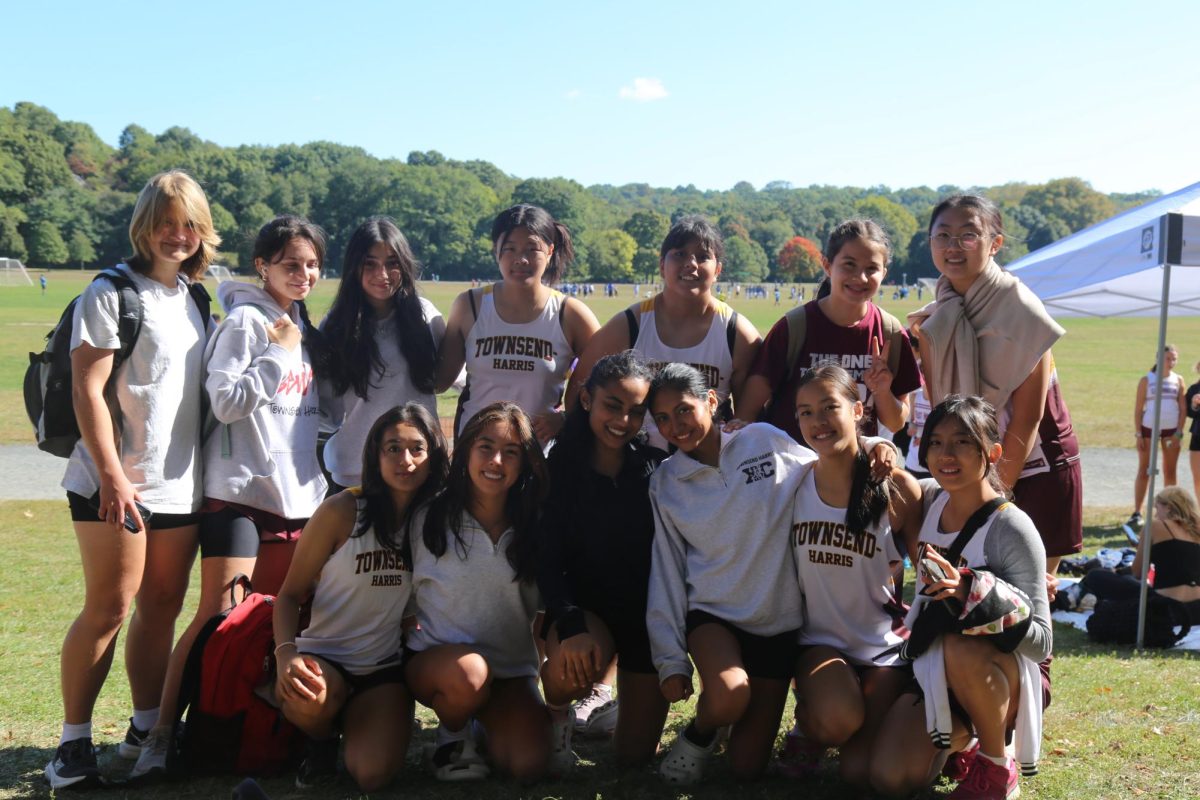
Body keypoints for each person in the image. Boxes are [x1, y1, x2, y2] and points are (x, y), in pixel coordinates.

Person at [130, 215, 331, 778]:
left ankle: (245, 732)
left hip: (297, 500)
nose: (304, 273)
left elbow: (313, 415)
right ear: (262, 265)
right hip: (241, 495)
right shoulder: (247, 320)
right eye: (291, 263)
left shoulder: (301, 327)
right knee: (217, 618)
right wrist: (276, 353)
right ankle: (159, 735)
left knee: (275, 624)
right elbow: (225, 402)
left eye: (312, 264)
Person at [46, 170, 219, 789]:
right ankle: (71, 745)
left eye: (189, 224)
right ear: (145, 224)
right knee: (109, 609)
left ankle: (145, 729)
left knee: (161, 609)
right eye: (167, 223)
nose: (178, 235)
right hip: (114, 482)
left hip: (181, 486)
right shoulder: (110, 291)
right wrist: (115, 478)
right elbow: (86, 389)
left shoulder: (195, 298)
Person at [644, 363, 899, 785]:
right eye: (662, 419)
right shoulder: (667, 483)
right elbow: (667, 570)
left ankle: (743, 725)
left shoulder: (761, 440)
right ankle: (699, 733)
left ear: (711, 401)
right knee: (728, 694)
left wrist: (874, 444)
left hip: (778, 626)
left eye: (684, 410)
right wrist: (670, 659)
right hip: (714, 617)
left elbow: (828, 455)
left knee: (746, 767)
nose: (676, 425)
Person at [870, 395, 1052, 800]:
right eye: (935, 442)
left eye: (963, 442)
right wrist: (877, 445)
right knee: (888, 778)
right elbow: (884, 471)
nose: (946, 455)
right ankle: (962, 745)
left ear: (994, 452)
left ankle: (995, 764)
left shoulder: (1012, 528)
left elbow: (1042, 643)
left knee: (959, 645)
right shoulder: (931, 499)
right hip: (935, 668)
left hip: (1009, 676)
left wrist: (973, 592)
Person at [272, 403, 448, 790]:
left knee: (371, 775)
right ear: (375, 455)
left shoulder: (433, 523)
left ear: (433, 456)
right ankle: (319, 742)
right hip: (323, 660)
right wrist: (286, 654)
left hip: (382, 670)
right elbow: (289, 595)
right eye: (393, 448)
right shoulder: (342, 510)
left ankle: (362, 727)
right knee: (311, 696)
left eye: (417, 448)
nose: (406, 459)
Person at [908, 194, 1082, 573]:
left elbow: (1028, 418)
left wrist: (992, 495)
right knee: (968, 592)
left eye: (968, 235)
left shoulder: (1019, 307)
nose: (954, 247)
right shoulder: (940, 311)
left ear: (995, 243)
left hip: (1031, 463)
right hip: (974, 461)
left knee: (1024, 597)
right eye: (943, 236)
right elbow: (944, 404)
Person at [783, 365, 922, 787]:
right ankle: (808, 729)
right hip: (819, 643)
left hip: (883, 648)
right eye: (805, 412)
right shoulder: (791, 483)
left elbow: (931, 571)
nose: (817, 422)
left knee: (857, 773)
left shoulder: (896, 487)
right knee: (839, 721)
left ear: (858, 409)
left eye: (830, 407)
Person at [404, 402, 551, 782]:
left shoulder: (535, 526)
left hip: (508, 673)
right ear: (466, 448)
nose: (496, 460)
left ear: (525, 463)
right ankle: (450, 735)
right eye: (485, 446)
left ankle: (483, 726)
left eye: (511, 452)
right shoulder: (428, 518)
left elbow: (542, 614)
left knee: (527, 765)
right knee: (469, 675)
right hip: (443, 669)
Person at [536, 351, 668, 771]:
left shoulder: (655, 467)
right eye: (613, 404)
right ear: (587, 399)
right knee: (571, 669)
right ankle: (557, 714)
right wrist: (570, 625)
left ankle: (614, 708)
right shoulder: (556, 470)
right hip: (585, 614)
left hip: (644, 620)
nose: (624, 420)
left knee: (633, 759)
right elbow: (546, 561)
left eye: (636, 411)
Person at [572, 216, 760, 451]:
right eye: (680, 254)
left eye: (703, 256)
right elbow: (581, 387)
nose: (691, 263)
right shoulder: (630, 324)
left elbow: (746, 420)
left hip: (706, 471)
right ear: (662, 265)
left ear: (718, 269)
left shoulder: (737, 333)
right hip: (638, 468)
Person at [733, 219, 920, 446]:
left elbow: (896, 423)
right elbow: (747, 412)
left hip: (853, 472)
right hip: (792, 471)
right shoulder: (793, 327)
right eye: (849, 264)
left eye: (871, 268)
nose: (860, 277)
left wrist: (881, 391)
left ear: (884, 272)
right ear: (827, 265)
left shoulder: (891, 333)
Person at [434, 204, 600, 444]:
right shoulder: (470, 305)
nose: (520, 259)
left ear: (550, 251)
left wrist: (566, 417)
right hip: (474, 454)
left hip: (537, 457)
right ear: (496, 251)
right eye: (509, 249)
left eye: (532, 249)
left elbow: (610, 378)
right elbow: (439, 381)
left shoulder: (569, 313)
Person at [320, 217, 443, 491]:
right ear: (354, 266)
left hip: (417, 470)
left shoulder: (426, 317)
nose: (382, 274)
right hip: (355, 472)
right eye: (370, 263)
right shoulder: (336, 324)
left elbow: (453, 378)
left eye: (392, 263)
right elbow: (327, 408)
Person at [1079, 486, 1200, 624]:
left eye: (1157, 508)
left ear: (1169, 507)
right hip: (1196, 610)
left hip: (1168, 608)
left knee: (1096, 575)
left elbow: (1137, 572)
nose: (1155, 514)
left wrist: (1119, 569)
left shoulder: (1156, 526)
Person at [1128, 345, 1187, 534]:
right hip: (1148, 429)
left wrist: (1179, 431)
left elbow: (1183, 408)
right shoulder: (1147, 380)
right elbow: (1138, 409)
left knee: (1170, 472)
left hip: (1171, 430)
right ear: (1158, 359)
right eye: (1168, 358)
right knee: (1145, 471)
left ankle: (1171, 509)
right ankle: (1137, 512)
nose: (1171, 362)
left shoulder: (1178, 380)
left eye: (1174, 359)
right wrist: (1138, 433)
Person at [1188, 362, 1200, 503]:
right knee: (1198, 479)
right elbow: (1189, 413)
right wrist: (1193, 404)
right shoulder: (1194, 389)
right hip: (1197, 435)